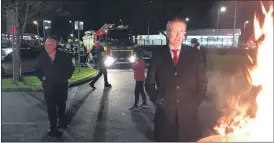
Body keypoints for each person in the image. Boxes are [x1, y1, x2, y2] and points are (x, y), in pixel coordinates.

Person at [145, 17, 208, 142]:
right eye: (174, 31)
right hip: (165, 120)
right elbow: (149, 84)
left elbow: (202, 84)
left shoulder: (194, 54)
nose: (178, 35)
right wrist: (159, 101)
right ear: (167, 32)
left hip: (189, 121)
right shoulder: (158, 54)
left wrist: (194, 104)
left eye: (182, 31)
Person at [35, 39, 75, 137]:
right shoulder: (42, 57)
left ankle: (62, 121)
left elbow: (71, 68)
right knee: (51, 107)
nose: (46, 47)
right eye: (46, 45)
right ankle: (53, 128)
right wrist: (42, 78)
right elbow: (37, 69)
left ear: (54, 45)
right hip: (48, 86)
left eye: (49, 45)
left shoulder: (63, 55)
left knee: (61, 105)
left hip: (61, 85)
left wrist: (65, 78)